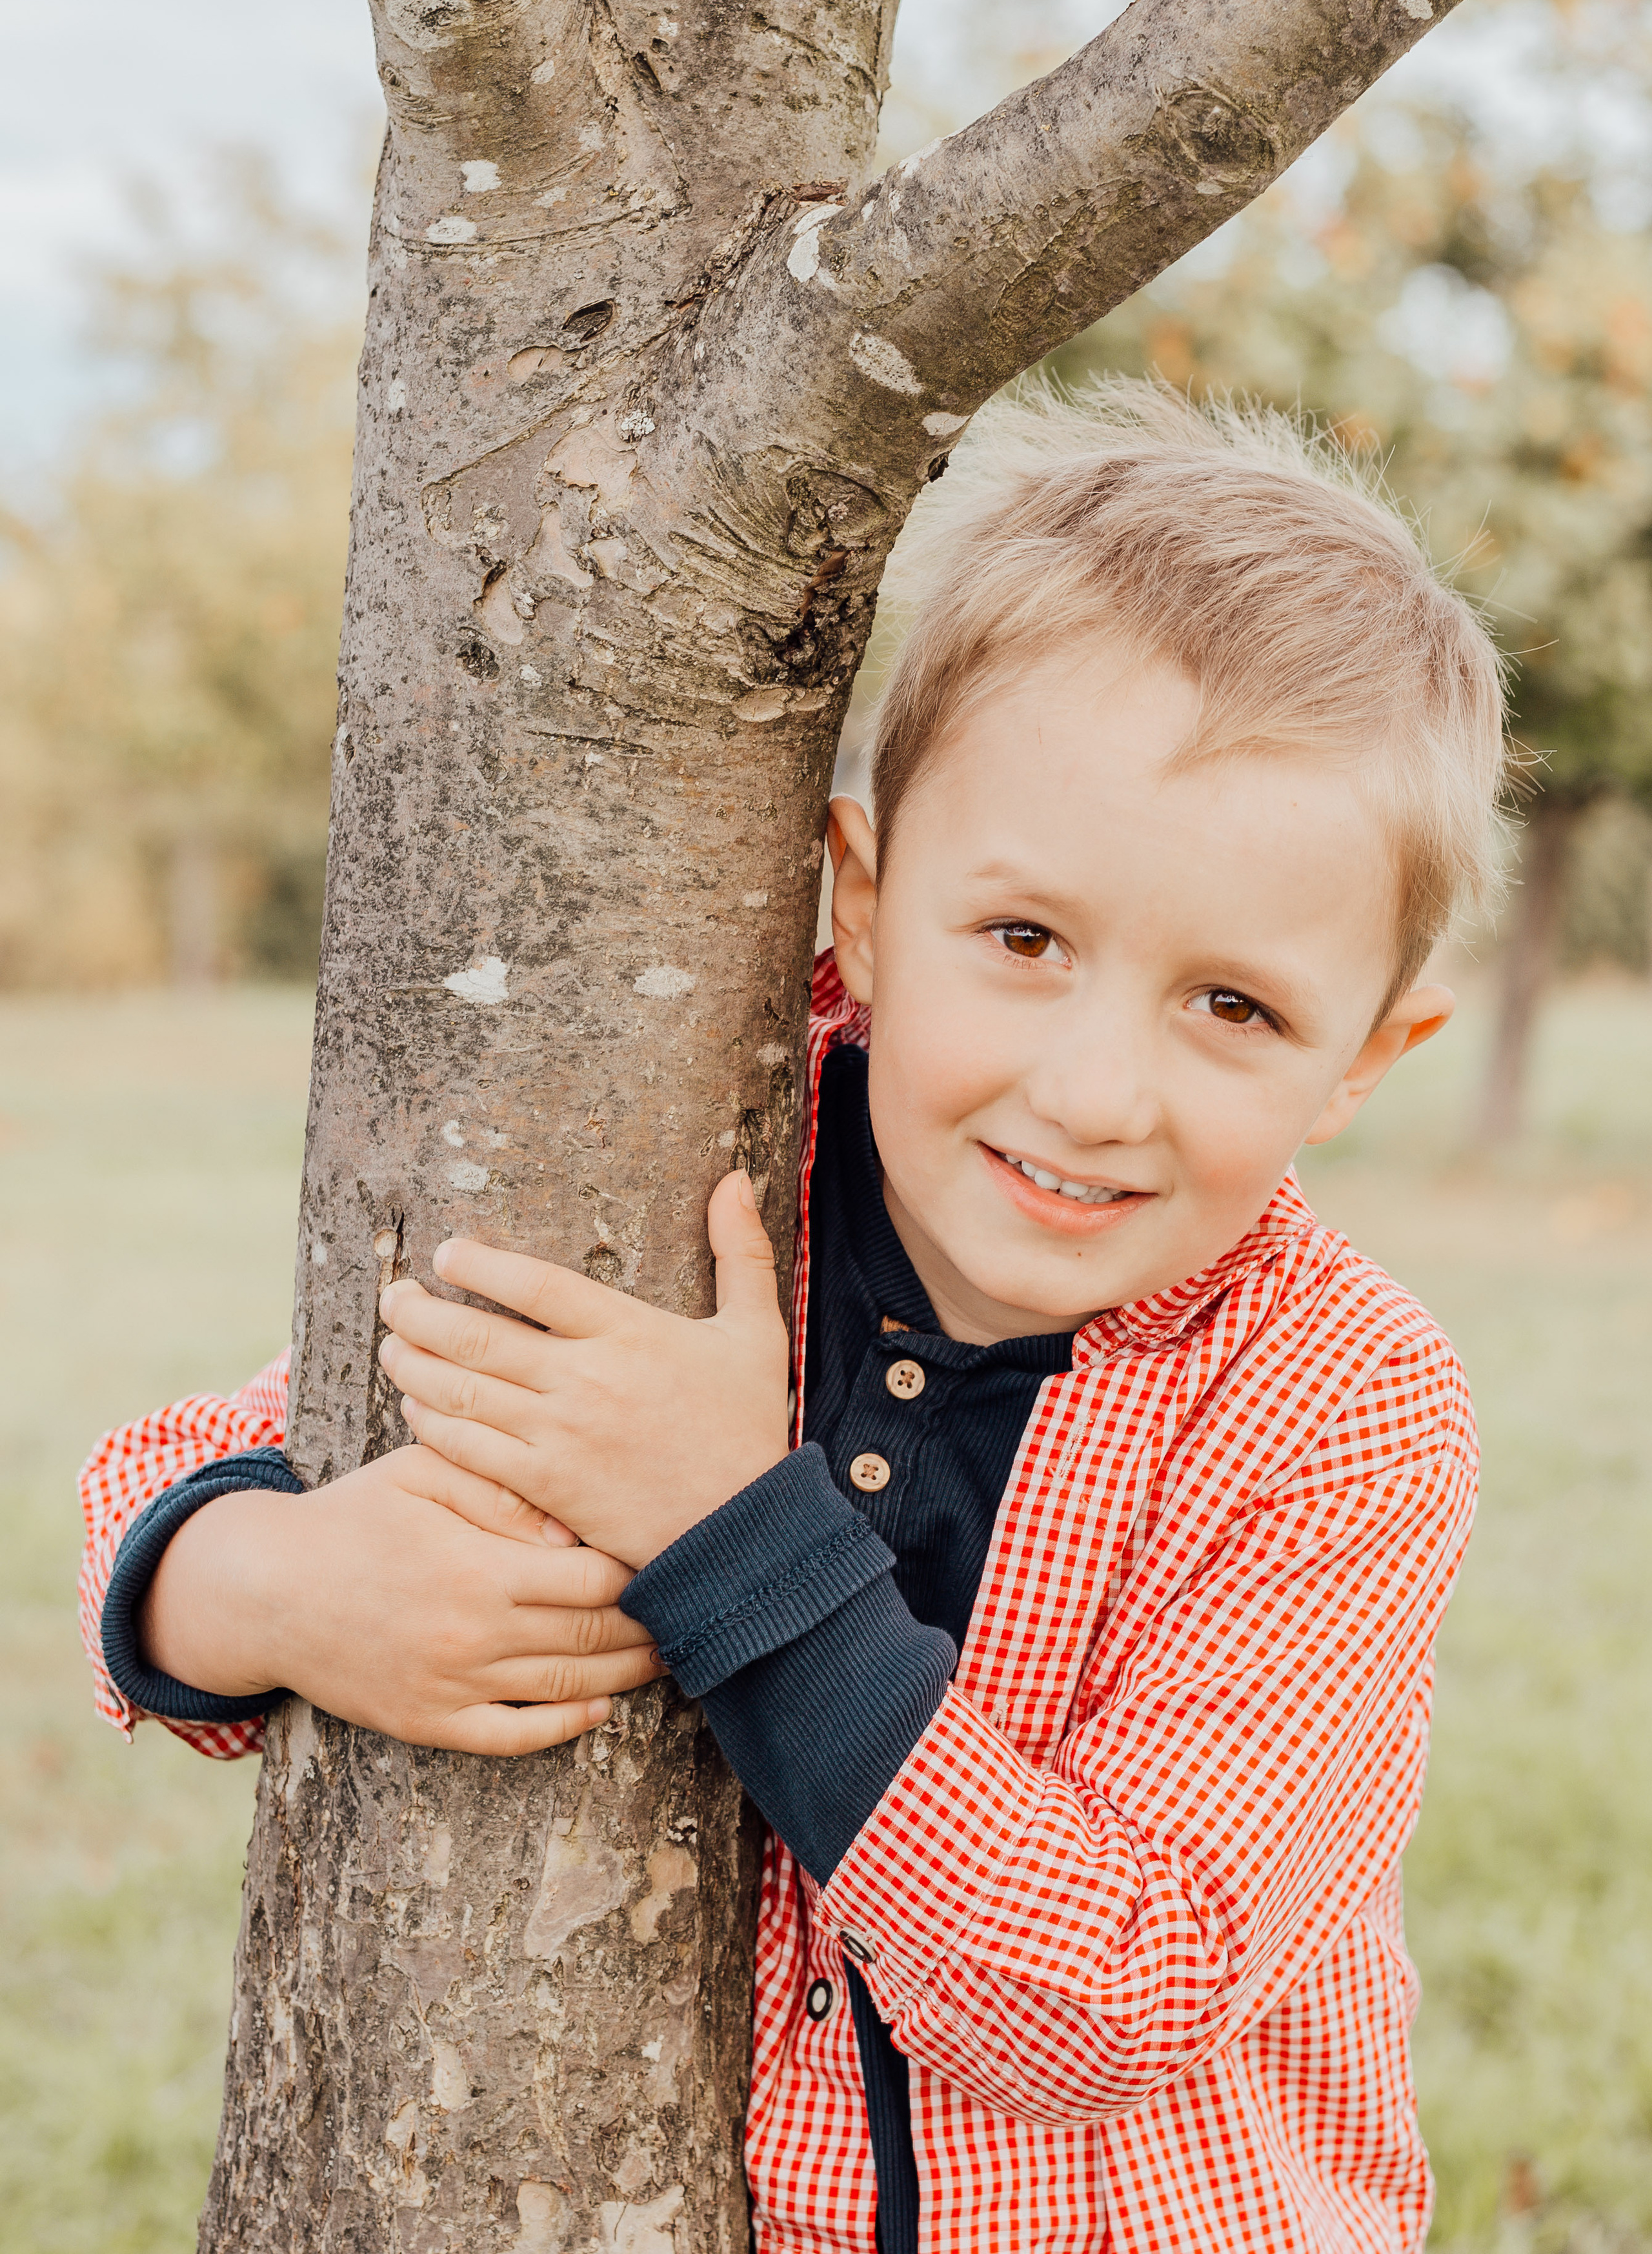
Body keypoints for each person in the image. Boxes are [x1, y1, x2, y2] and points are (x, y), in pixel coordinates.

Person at [79, 381, 1504, 2253]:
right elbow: (167, 1465)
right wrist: (263, 1587)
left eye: (1232, 1005)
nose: (1091, 1090)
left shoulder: (1342, 1403)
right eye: (1024, 939)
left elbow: (1116, 1992)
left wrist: (729, 1526)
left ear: (1367, 1057)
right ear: (863, 891)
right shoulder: (711, 1182)